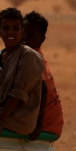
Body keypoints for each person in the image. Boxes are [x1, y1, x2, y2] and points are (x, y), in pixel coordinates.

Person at [0, 7, 45, 138]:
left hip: (18, 120)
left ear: (22, 31)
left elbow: (18, 95)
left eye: (15, 28)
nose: (11, 32)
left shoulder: (29, 56)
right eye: (6, 28)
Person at [22, 10, 65, 140]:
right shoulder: (33, 55)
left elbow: (44, 90)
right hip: (53, 122)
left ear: (42, 39)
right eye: (23, 33)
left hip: (46, 125)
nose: (25, 38)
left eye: (31, 35)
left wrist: (38, 127)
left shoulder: (33, 58)